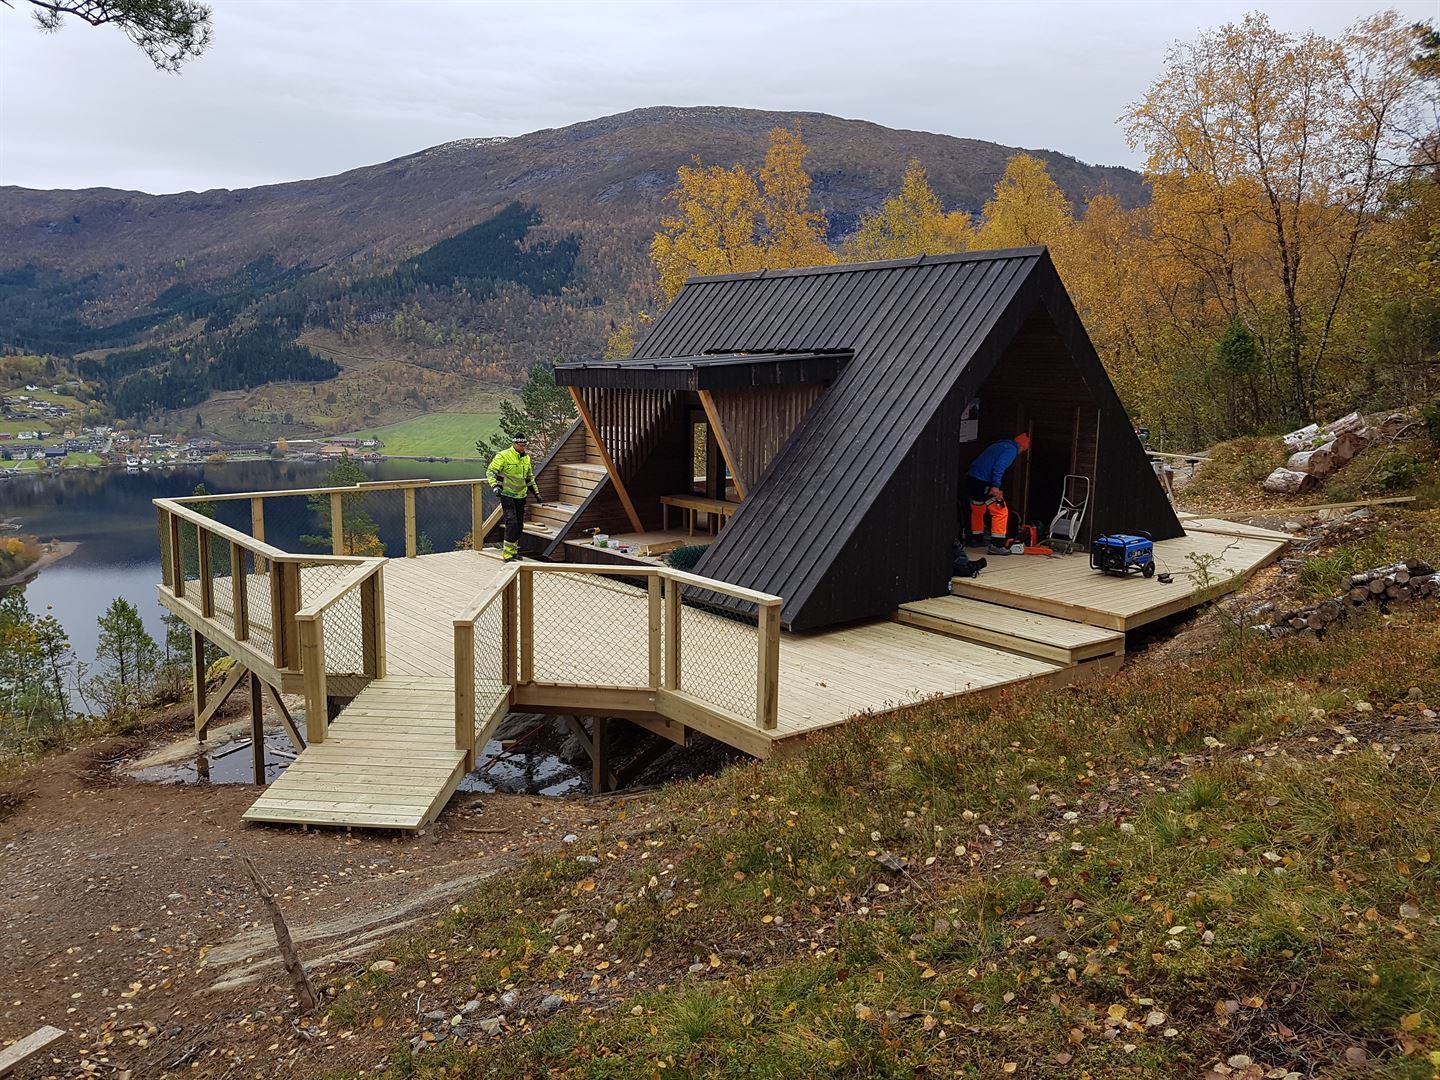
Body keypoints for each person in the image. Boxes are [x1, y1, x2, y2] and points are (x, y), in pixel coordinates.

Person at [965, 432, 1030, 554]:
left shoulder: (1000, 445)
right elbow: (999, 467)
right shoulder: (1011, 450)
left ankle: (976, 538)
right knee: (1000, 510)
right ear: (1023, 447)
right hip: (984, 482)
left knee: (978, 508)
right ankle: (997, 545)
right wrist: (995, 486)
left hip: (972, 479)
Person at [487, 433, 541, 561]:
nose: (523, 447)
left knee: (519, 525)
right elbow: (491, 471)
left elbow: (529, 478)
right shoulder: (503, 456)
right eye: (521, 445)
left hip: (521, 495)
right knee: (512, 523)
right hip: (506, 494)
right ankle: (507, 554)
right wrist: (495, 486)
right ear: (514, 444)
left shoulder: (526, 458)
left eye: (524, 445)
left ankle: (514, 551)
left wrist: (536, 493)